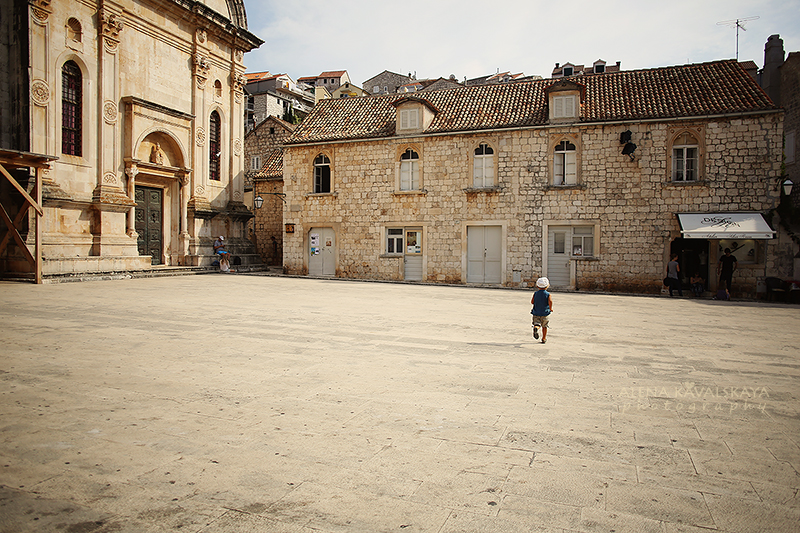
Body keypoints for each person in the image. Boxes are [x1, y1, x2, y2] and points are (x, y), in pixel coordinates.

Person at [530, 277, 553, 344]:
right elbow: (550, 301)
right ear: (547, 286)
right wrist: (550, 308)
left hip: (536, 312)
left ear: (537, 286)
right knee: (544, 326)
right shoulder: (548, 294)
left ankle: (536, 328)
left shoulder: (535, 293)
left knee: (537, 323)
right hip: (545, 313)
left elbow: (532, 302)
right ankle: (544, 338)